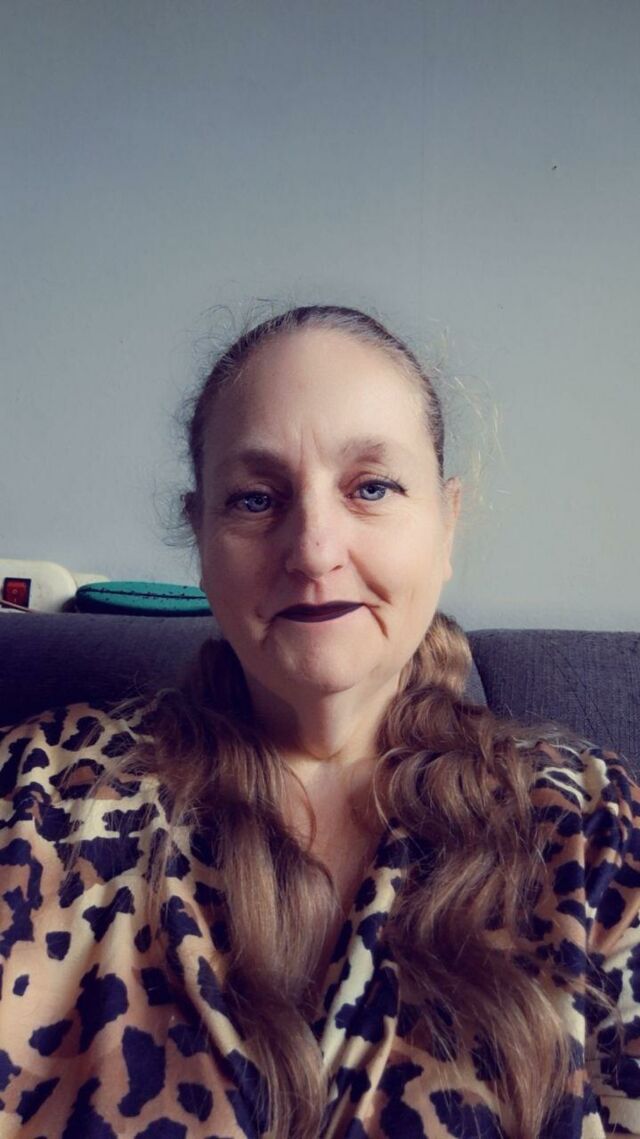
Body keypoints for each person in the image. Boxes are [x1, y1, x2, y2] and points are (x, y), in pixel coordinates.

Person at [0, 304, 638, 1139]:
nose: (312, 549)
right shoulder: (39, 794)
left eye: (371, 487)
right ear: (200, 538)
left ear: (446, 523)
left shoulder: (587, 823)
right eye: (256, 499)